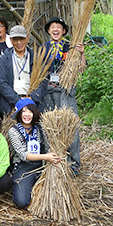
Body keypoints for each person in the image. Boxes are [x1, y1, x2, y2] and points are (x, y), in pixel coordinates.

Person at [42, 17, 84, 173]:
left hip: (66, 92)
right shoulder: (43, 48)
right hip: (48, 93)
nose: (55, 29)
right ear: (48, 31)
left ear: (64, 31)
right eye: (52, 26)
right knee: (50, 127)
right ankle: (54, 162)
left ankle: (73, 165)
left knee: (70, 126)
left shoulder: (70, 47)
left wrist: (82, 53)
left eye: (58, 27)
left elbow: (81, 69)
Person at [8, 97, 62, 209]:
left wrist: (54, 158)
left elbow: (48, 147)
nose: (27, 115)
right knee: (22, 202)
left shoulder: (41, 128)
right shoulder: (13, 131)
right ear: (19, 114)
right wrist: (46, 157)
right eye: (23, 111)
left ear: (35, 112)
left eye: (30, 111)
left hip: (41, 166)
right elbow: (24, 155)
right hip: (24, 168)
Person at [0, 25, 47, 116]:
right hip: (11, 104)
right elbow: (1, 82)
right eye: (15, 39)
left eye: (22, 39)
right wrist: (17, 100)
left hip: (32, 102)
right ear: (11, 40)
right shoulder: (4, 58)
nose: (19, 42)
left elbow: (43, 81)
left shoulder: (36, 58)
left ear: (27, 38)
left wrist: (31, 98)